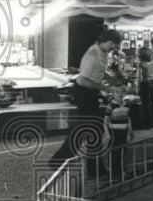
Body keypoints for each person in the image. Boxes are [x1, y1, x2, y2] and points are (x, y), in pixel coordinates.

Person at [51, 28, 122, 173]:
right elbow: (83, 80)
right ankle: (65, 162)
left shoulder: (102, 53)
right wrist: (106, 89)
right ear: (104, 40)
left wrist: (109, 79)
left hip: (89, 93)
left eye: (115, 45)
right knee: (88, 129)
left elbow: (97, 72)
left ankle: (91, 167)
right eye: (112, 44)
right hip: (84, 93)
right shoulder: (93, 53)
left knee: (92, 129)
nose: (113, 47)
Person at [136, 46, 153, 130]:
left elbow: (138, 78)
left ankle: (147, 124)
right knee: (152, 104)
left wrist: (138, 88)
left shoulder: (141, 64)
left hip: (146, 83)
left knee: (146, 105)